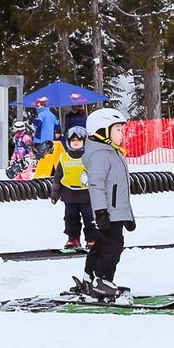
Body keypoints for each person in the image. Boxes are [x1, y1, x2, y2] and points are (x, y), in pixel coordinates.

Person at [77, 107, 134, 300]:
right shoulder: (102, 154)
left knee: (101, 244)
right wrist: (101, 211)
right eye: (117, 129)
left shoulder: (114, 153)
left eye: (121, 130)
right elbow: (97, 184)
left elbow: (121, 187)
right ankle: (102, 281)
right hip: (108, 211)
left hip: (116, 210)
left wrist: (128, 215)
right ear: (101, 131)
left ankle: (89, 278)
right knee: (113, 245)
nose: (121, 134)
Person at [50, 124, 98, 253]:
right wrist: (55, 194)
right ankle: (73, 238)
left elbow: (99, 174)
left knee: (90, 218)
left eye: (78, 141)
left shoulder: (90, 157)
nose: (76, 143)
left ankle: (92, 239)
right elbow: (58, 177)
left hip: (87, 195)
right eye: (73, 141)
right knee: (70, 218)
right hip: (69, 195)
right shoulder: (64, 158)